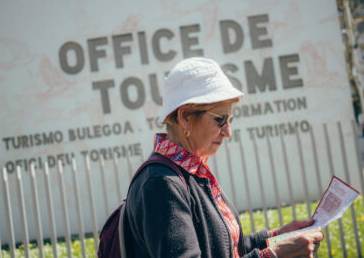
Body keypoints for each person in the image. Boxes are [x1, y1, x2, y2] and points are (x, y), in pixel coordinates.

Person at [124, 57, 324, 258]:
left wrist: (279, 237)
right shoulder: (161, 183)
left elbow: (226, 248)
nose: (227, 131)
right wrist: (273, 255)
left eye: (229, 120)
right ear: (184, 117)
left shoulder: (187, 173)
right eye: (220, 119)